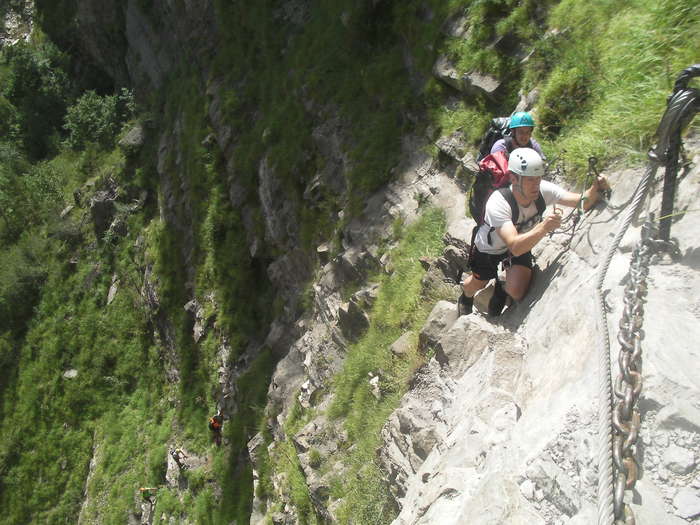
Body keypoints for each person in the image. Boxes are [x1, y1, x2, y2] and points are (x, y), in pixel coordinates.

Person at [459, 147, 608, 317]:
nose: (536, 185)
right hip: (490, 249)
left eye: (538, 178)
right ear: (514, 178)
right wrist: (543, 227)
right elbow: (514, 246)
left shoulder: (542, 191)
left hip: (521, 242)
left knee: (517, 291)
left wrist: (596, 187)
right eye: (530, 180)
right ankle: (466, 296)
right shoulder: (499, 202)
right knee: (477, 283)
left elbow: (581, 202)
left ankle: (502, 288)